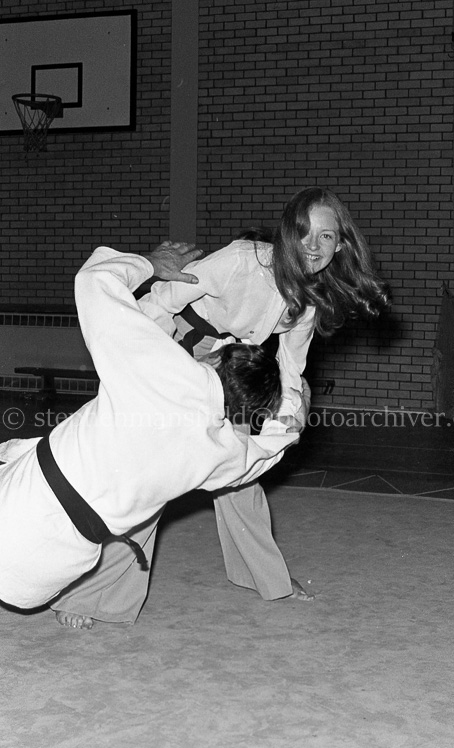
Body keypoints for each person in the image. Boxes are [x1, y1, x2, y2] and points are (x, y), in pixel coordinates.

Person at [52, 186, 390, 629]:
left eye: (325, 236)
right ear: (286, 232)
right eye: (304, 232)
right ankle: (93, 595)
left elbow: (291, 368)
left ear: (340, 245)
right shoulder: (242, 261)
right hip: (172, 349)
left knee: (239, 469)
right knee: (153, 474)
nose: (312, 245)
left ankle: (264, 576)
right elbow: (163, 299)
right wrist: (135, 363)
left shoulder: (308, 301)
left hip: (230, 368)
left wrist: (288, 419)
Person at [0, 243, 301, 611]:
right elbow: (261, 456)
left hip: (17, 504)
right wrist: (291, 421)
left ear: (213, 357)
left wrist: (151, 264)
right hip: (41, 580)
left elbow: (94, 279)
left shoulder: (160, 364)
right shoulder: (223, 450)